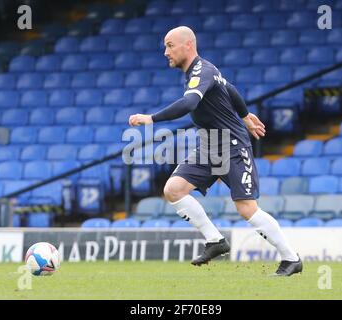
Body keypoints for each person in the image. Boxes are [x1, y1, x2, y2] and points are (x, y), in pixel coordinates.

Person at [129, 26, 302, 276]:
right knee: (173, 190)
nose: (165, 52)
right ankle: (215, 241)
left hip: (232, 145)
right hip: (210, 145)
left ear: (188, 45)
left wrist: (151, 118)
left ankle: (291, 258)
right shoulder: (203, 72)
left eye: (169, 45)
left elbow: (190, 103)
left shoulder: (202, 69)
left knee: (246, 208)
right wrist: (244, 114)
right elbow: (229, 88)